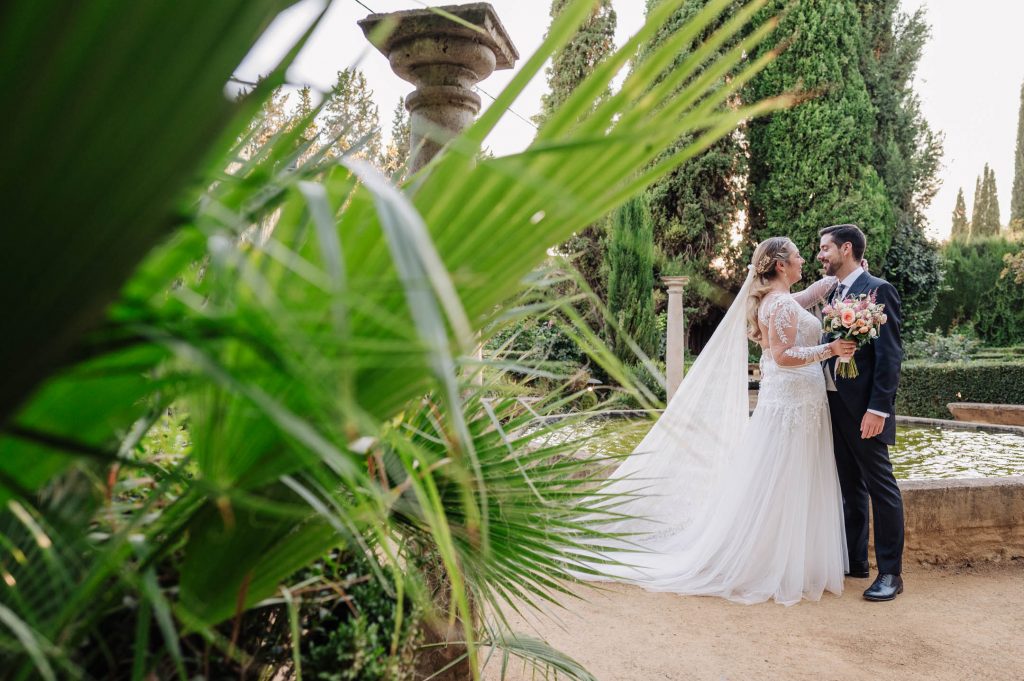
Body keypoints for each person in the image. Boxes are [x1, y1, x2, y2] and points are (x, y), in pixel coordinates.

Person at [577, 237, 855, 606]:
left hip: (794, 402)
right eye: (798, 256)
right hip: (794, 402)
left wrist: (832, 285)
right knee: (787, 476)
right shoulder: (781, 304)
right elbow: (784, 355)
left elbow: (800, 304)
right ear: (781, 266)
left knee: (785, 475)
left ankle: (783, 559)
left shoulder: (778, 300)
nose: (805, 259)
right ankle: (776, 564)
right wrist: (830, 349)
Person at [817, 224, 905, 602]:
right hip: (834, 404)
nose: (821, 255)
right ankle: (856, 561)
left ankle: (891, 573)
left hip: (865, 410)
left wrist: (878, 409)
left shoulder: (878, 289)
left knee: (881, 488)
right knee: (849, 485)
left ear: (846, 248)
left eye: (825, 249)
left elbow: (890, 357)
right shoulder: (835, 293)